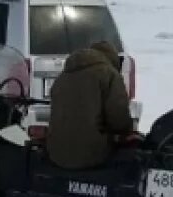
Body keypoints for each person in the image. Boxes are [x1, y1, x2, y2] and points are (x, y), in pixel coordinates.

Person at [45, 40, 134, 170]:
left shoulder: (62, 77)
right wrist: (127, 132)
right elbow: (118, 118)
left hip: (56, 154)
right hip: (93, 154)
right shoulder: (109, 74)